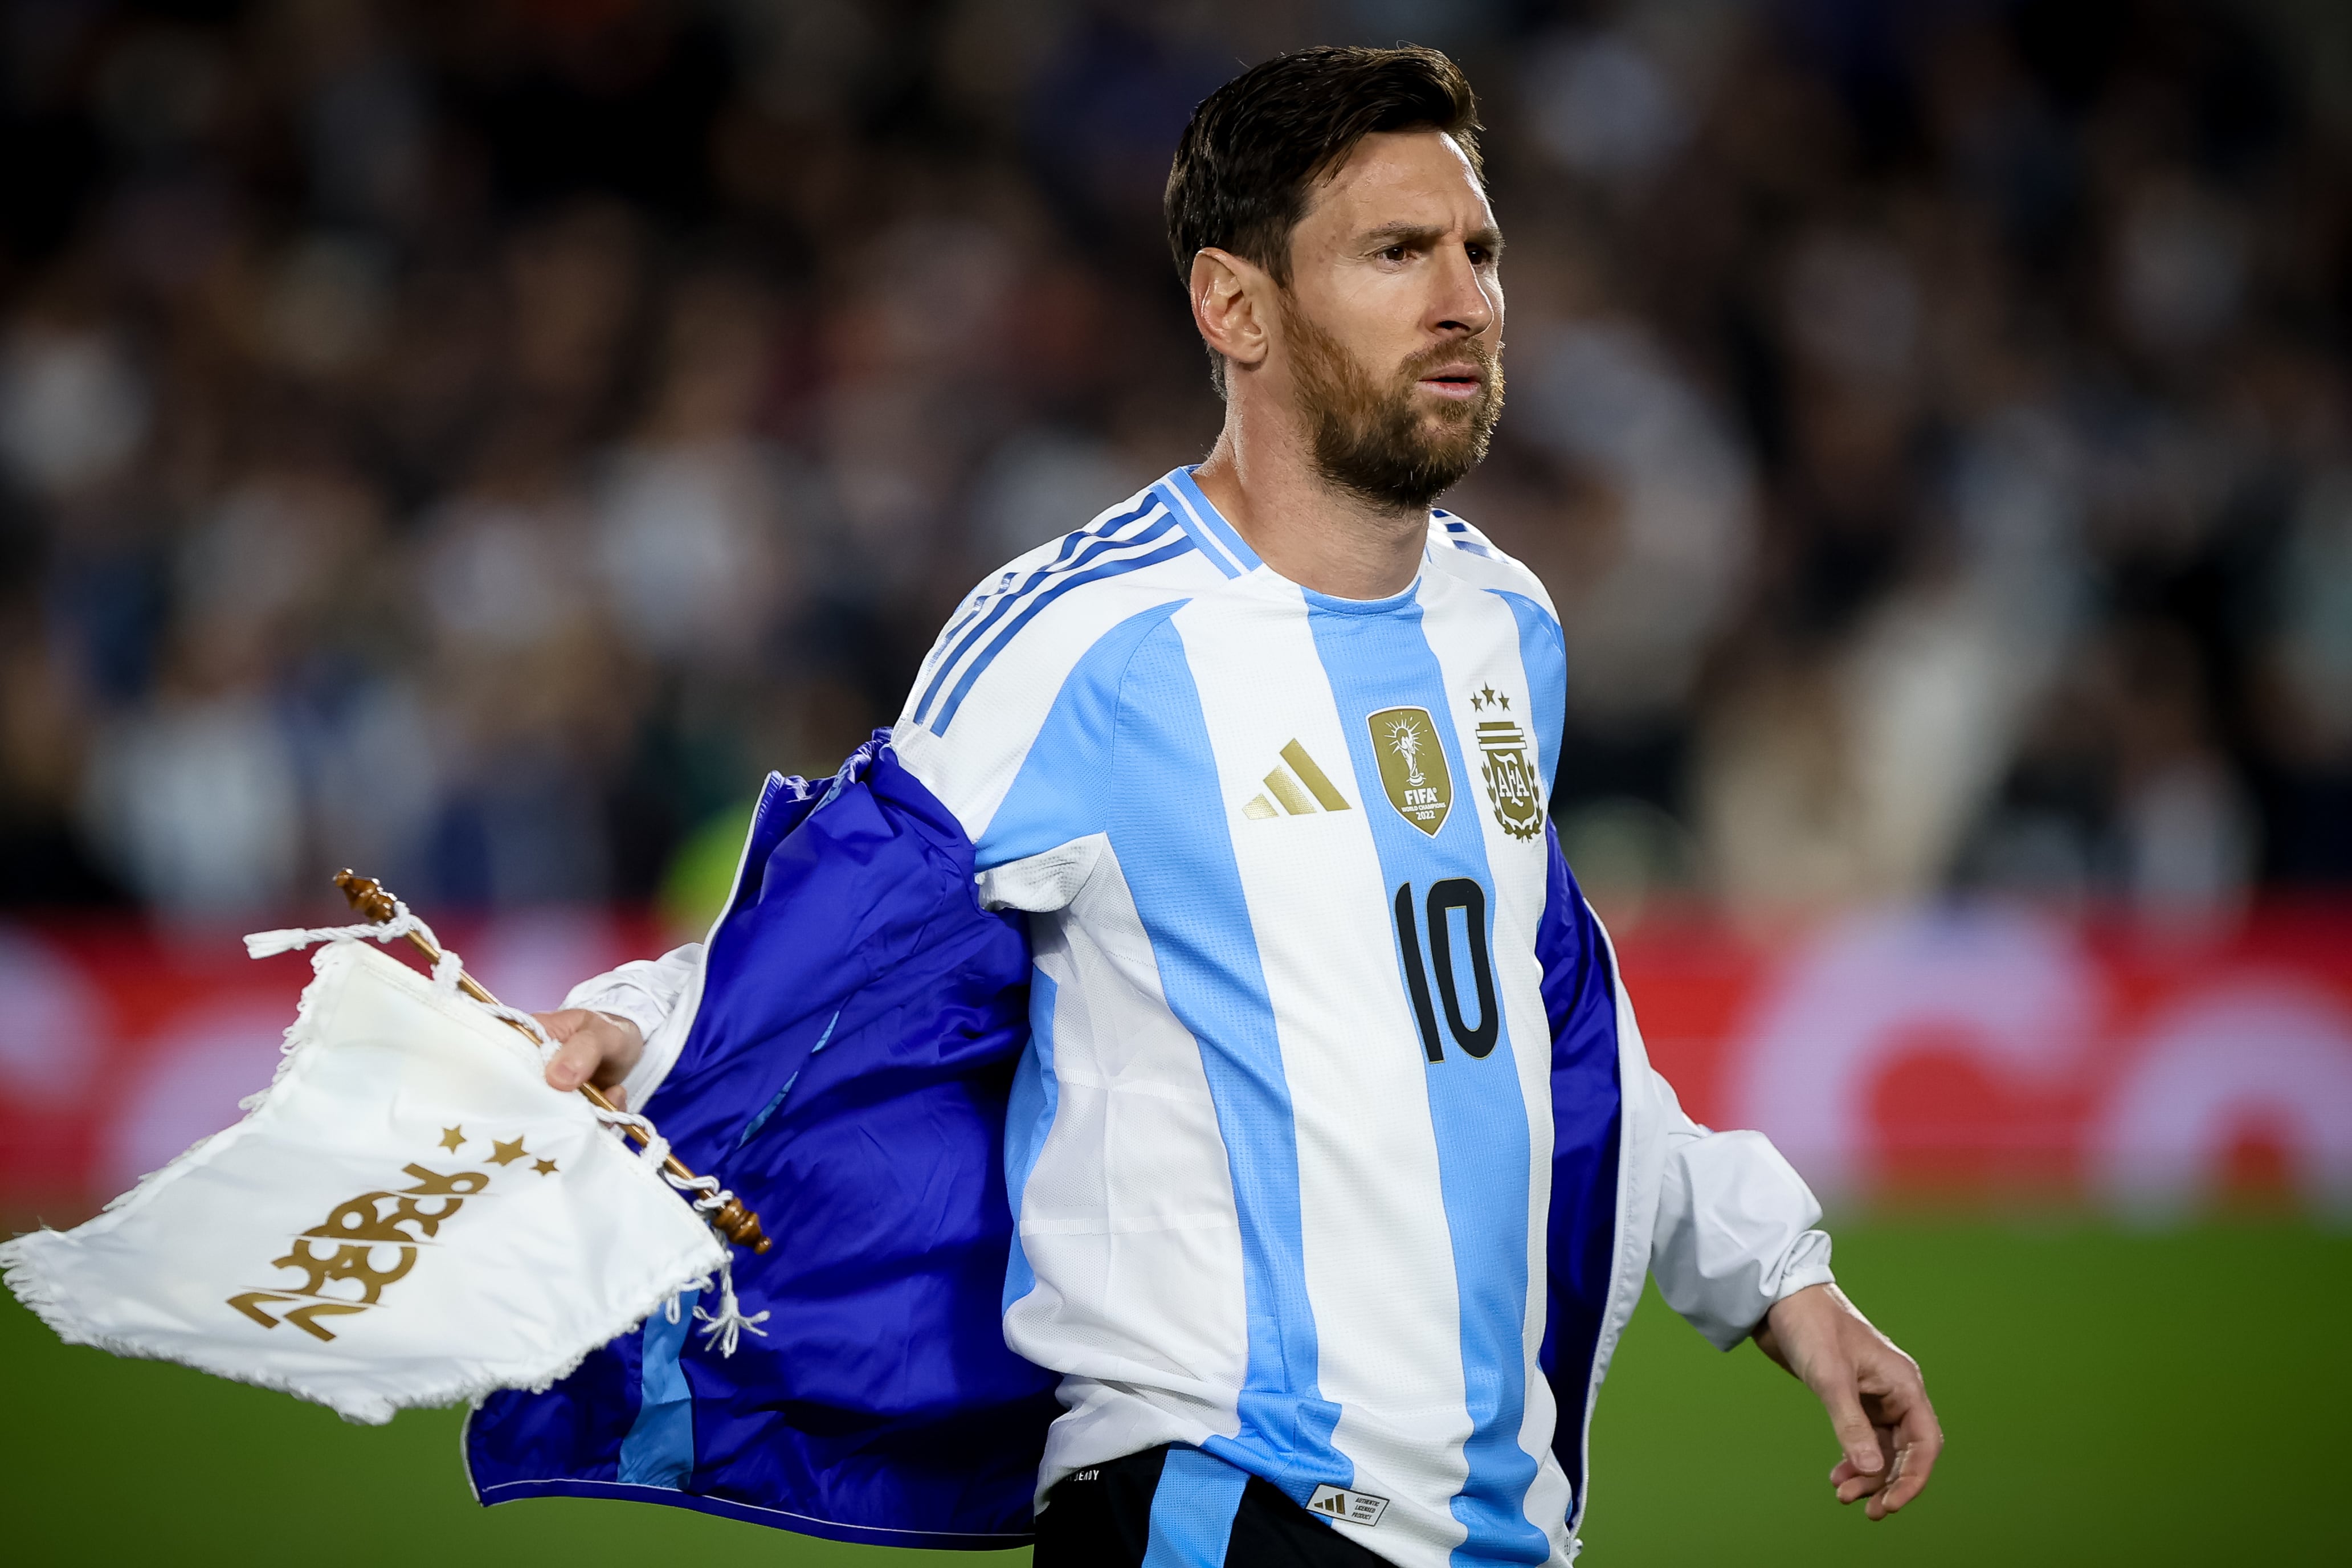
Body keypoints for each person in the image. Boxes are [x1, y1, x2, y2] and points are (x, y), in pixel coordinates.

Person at [517, 45, 1940, 1568]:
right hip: (1213, 1501)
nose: (1463, 298)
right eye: (1397, 253)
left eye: (1478, 251)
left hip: (1489, 1532)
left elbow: (1526, 1022)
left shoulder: (1502, 625)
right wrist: (641, 1025)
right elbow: (849, 913)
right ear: (1234, 306)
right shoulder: (1087, 638)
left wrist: (1772, 1276)